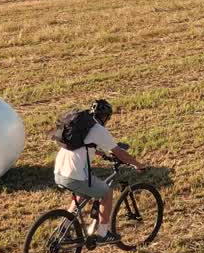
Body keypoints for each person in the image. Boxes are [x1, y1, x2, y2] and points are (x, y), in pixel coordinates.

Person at [53, 99, 146, 242]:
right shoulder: (98, 129)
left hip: (59, 172)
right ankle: (103, 234)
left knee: (82, 194)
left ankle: (64, 228)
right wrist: (137, 164)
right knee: (107, 192)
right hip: (75, 175)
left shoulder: (81, 126)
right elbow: (119, 153)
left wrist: (101, 154)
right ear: (106, 117)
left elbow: (83, 145)